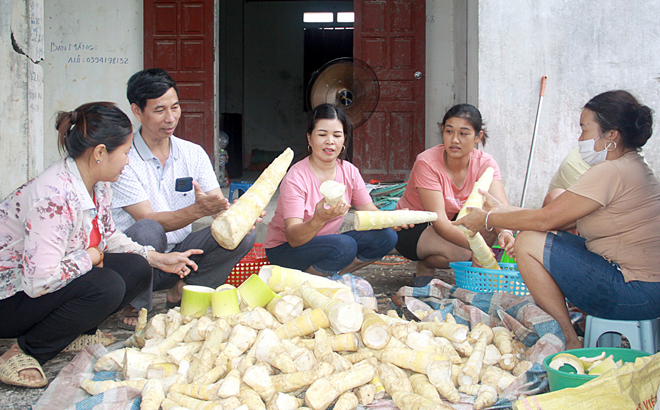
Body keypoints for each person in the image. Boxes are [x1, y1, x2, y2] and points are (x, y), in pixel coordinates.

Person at [0, 102, 201, 388]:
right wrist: (90, 256)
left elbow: (109, 236)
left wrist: (154, 258)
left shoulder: (99, 183)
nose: (128, 161)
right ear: (99, 153)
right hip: (10, 295)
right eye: (125, 153)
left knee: (136, 268)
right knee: (105, 285)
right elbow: (39, 281)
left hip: (40, 286)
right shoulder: (55, 196)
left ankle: (73, 331)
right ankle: (23, 351)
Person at [454, 90, 660, 350]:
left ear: (611, 135)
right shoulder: (632, 164)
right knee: (543, 221)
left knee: (528, 242)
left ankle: (567, 337)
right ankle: (575, 329)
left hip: (634, 292)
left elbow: (545, 220)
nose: (580, 138)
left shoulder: (611, 170)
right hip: (644, 289)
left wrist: (488, 218)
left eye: (584, 129)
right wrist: (503, 210)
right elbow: (559, 216)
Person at [111, 69, 255, 328]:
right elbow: (147, 218)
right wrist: (197, 211)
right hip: (138, 261)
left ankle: (184, 290)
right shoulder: (123, 157)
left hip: (182, 257)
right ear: (137, 111)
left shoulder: (193, 153)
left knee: (244, 234)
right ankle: (136, 303)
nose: (170, 118)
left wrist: (241, 216)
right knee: (148, 229)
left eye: (175, 107)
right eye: (159, 110)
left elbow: (216, 207)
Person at [264, 103, 399, 276]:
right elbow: (294, 237)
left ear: (344, 140)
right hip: (286, 250)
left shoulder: (349, 171)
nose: (330, 141)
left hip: (325, 244)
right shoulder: (296, 177)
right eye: (322, 134)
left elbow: (370, 212)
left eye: (337, 135)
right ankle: (307, 281)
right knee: (344, 245)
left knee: (387, 237)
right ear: (309, 138)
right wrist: (318, 220)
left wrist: (395, 220)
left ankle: (330, 276)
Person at [394, 104, 514, 287]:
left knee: (489, 225)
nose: (455, 140)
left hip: (454, 222)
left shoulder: (486, 163)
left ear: (478, 137)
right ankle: (426, 264)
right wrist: (478, 249)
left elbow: (500, 208)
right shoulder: (427, 162)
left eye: (464, 134)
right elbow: (440, 222)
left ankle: (463, 265)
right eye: (449, 131)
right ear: (442, 131)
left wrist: (506, 232)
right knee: (464, 253)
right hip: (416, 226)